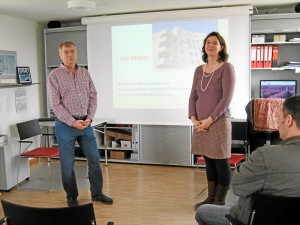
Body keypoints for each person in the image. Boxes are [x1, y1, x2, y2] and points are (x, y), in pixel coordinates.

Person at [195, 95, 300, 225]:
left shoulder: (265, 156)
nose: (277, 122)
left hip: (251, 219)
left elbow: (237, 187)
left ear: (289, 120)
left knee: (202, 211)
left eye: (279, 117)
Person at [47, 41, 113, 207]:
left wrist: (89, 117)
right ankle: (72, 196)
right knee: (68, 164)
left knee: (95, 160)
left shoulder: (85, 73)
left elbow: (93, 96)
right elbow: (55, 104)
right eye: (66, 52)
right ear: (61, 55)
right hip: (65, 126)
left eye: (72, 51)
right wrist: (72, 122)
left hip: (85, 123)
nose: (70, 55)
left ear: (77, 53)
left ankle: (97, 193)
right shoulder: (54, 76)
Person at [189, 31, 236, 210]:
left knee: (220, 160)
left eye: (214, 43)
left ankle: (220, 200)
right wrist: (194, 119)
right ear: (204, 47)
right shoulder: (198, 70)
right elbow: (193, 96)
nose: (210, 45)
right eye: (208, 42)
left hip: (218, 122)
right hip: (200, 123)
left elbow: (226, 98)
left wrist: (210, 119)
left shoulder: (227, 67)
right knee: (208, 159)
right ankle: (210, 197)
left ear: (221, 47)